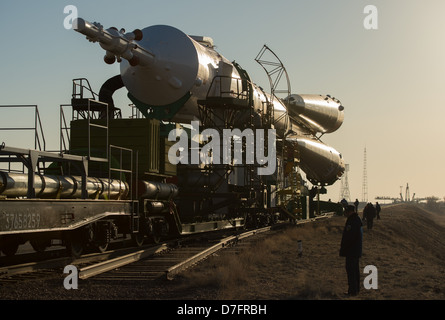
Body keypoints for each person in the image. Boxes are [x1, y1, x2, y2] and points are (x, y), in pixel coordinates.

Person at [339, 205, 363, 296]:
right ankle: (356, 289)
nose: (345, 213)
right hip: (355, 250)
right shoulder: (356, 219)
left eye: (346, 211)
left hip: (352, 250)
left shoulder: (353, 221)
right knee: (355, 270)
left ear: (350, 211)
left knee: (351, 271)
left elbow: (350, 237)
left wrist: (344, 248)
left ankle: (352, 291)